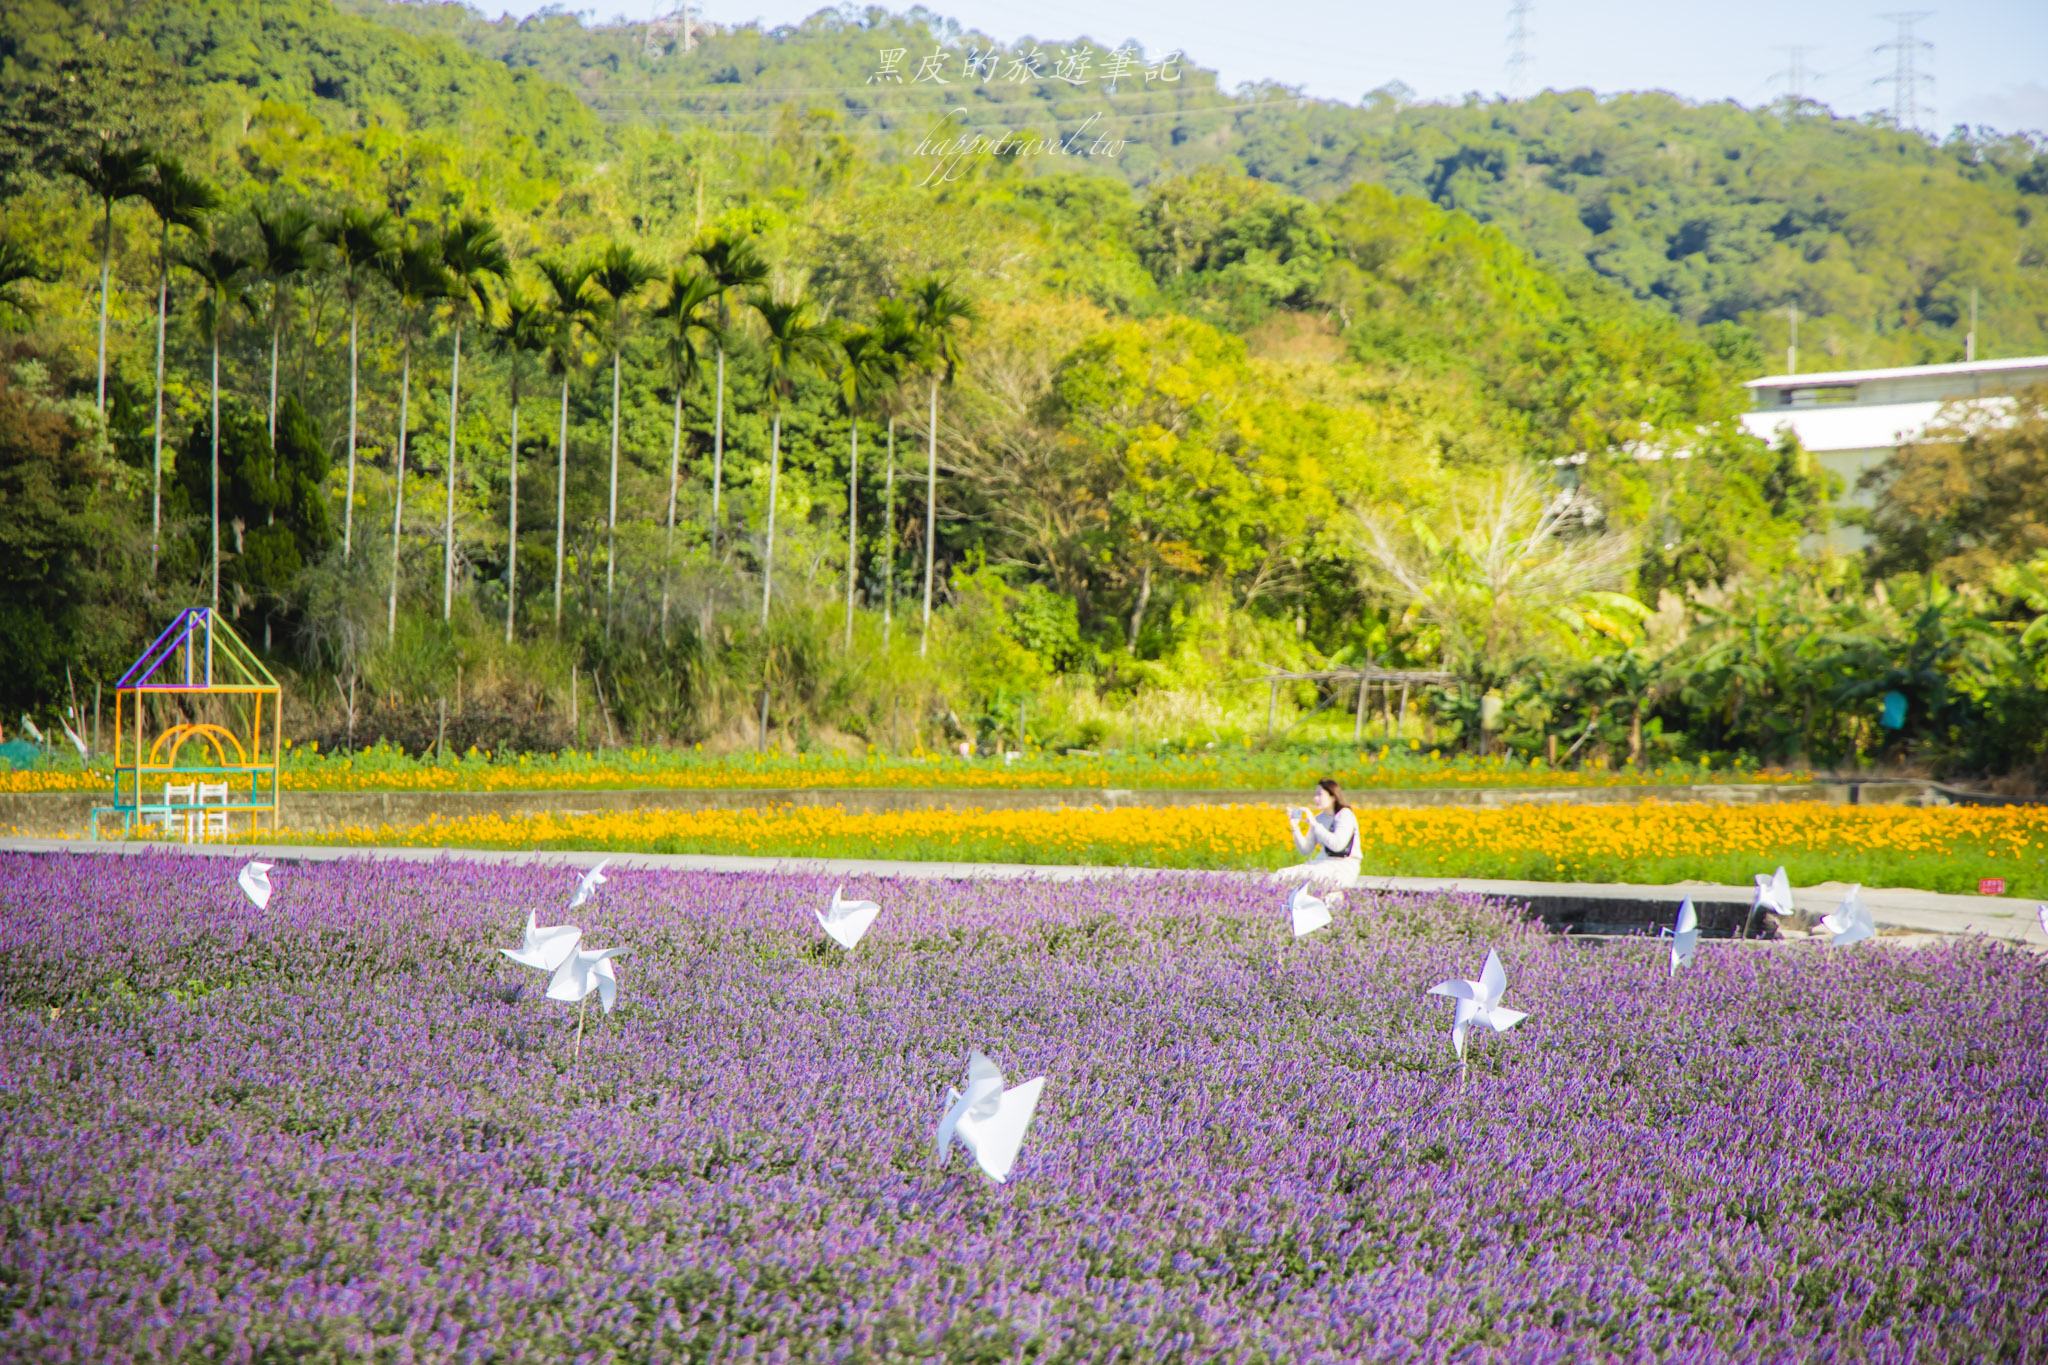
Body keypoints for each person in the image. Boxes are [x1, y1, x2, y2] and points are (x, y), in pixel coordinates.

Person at [1275, 778, 1361, 891]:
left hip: (1343, 867)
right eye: (1315, 794)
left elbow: (1337, 845)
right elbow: (1305, 849)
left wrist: (1314, 824)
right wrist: (1295, 827)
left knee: (1294, 875)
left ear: (1333, 797)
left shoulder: (1345, 815)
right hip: (1322, 865)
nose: (1315, 798)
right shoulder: (1319, 818)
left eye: (1320, 794)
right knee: (1281, 874)